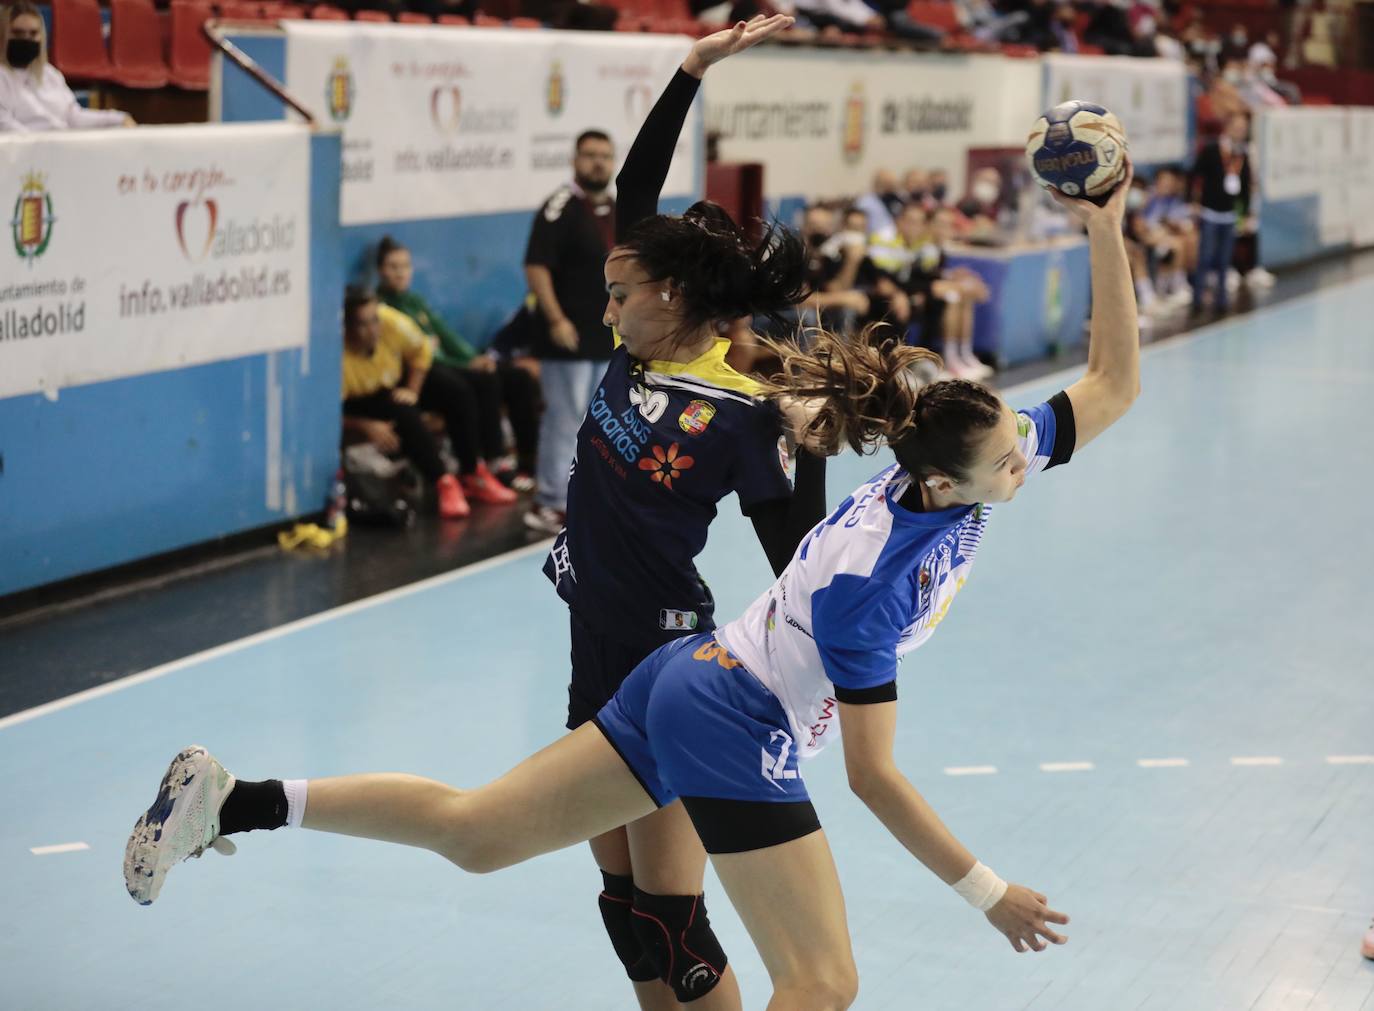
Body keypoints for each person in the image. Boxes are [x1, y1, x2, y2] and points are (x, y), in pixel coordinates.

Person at [123, 137, 1141, 1011]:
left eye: (1024, 448)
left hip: (679, 671)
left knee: (483, 837)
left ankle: (235, 799)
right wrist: (988, 892)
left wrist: (1106, 223)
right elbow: (874, 776)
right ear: (952, 481)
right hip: (727, 713)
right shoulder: (868, 588)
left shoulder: (958, 459)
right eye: (1015, 453)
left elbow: (1111, 385)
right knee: (819, 985)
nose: (1029, 459)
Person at [377, 236, 536, 497]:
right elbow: (425, 354)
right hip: (422, 373)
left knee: (517, 377)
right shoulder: (384, 309)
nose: (400, 272)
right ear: (381, 271)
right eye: (393, 267)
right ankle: (487, 463)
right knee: (478, 383)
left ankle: (528, 460)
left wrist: (473, 357)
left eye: (405, 266)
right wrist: (466, 364)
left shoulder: (415, 302)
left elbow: (445, 336)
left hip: (446, 363)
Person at [523, 129, 620, 535]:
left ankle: (589, 497)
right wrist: (556, 318)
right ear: (574, 160)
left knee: (603, 422)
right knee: (564, 420)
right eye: (590, 155)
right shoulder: (559, 207)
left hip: (606, 336)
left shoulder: (617, 209)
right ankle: (549, 501)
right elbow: (536, 266)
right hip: (568, 338)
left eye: (604, 156)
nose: (598, 162)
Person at [340, 286, 474, 520]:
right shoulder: (337, 358)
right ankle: (443, 482)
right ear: (348, 327)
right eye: (364, 324)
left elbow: (422, 350)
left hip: (389, 387)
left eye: (375, 321)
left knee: (454, 387)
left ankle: (474, 471)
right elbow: (325, 417)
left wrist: (412, 389)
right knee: (405, 414)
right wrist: (365, 426)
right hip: (354, 404)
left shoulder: (392, 322)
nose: (373, 330)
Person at [0, 2, 133, 132]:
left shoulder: (50, 74)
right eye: (17, 33)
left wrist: (118, 119)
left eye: (33, 33)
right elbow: (5, 126)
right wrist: (47, 144)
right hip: (30, 150)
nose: (26, 39)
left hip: (61, 147)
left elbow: (73, 117)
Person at [1188, 112, 1251, 315]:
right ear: (1228, 127)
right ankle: (1197, 301)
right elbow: (1195, 173)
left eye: (1244, 128)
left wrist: (1246, 213)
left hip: (1230, 214)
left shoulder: (1242, 154)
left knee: (1224, 261)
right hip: (1209, 212)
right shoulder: (1212, 149)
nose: (1240, 131)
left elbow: (1246, 186)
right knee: (1205, 258)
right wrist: (1192, 201)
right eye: (1237, 126)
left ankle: (1221, 301)